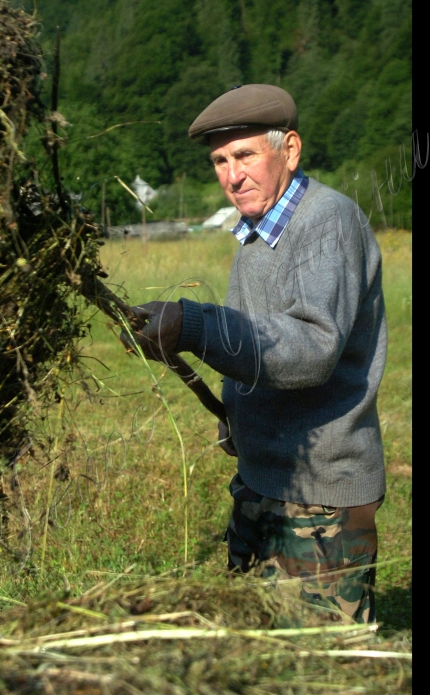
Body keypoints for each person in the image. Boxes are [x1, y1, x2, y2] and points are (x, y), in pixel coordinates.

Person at [124, 84, 387, 625]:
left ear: (288, 150)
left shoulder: (325, 223)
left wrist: (196, 325)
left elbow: (311, 348)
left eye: (245, 155)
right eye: (220, 160)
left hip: (319, 500)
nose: (231, 174)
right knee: (252, 648)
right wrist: (238, 414)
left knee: (316, 668)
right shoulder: (256, 231)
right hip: (262, 479)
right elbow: (259, 339)